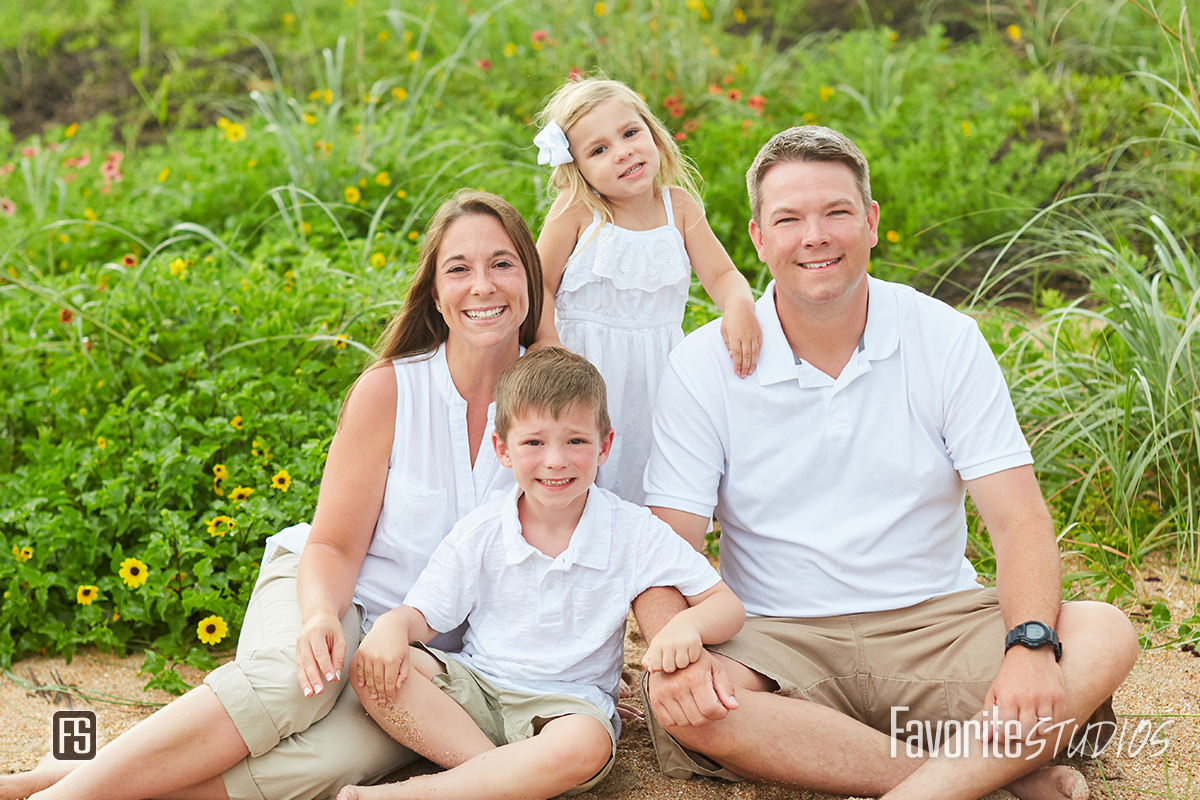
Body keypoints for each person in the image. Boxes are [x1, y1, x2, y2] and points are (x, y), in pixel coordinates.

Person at [632, 126, 1139, 800]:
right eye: (789, 219)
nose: (815, 235)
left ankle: (921, 786)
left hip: (938, 627)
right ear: (758, 237)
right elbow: (668, 551)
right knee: (686, 695)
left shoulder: (945, 338)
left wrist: (1029, 644)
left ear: (870, 223)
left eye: (836, 212)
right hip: (777, 638)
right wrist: (679, 652)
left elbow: (1019, 521)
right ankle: (986, 779)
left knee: (1103, 631)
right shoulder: (704, 363)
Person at [2, 190, 545, 800]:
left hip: (417, 656)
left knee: (325, 762)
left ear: (530, 276)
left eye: (502, 264)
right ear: (435, 295)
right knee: (295, 681)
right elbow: (334, 544)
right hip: (330, 587)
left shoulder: (553, 408)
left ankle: (58, 779)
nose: (483, 286)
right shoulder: (390, 390)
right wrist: (319, 619)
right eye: (459, 268)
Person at [335, 347, 745, 800]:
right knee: (377, 668)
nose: (555, 460)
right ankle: (500, 782)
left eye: (576, 441)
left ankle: (418, 795)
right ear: (502, 449)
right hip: (478, 692)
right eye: (533, 442)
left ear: (604, 445)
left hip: (567, 708)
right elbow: (422, 617)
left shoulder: (634, 531)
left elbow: (726, 605)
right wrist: (394, 625)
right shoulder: (483, 528)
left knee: (585, 745)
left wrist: (686, 624)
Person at [531, 76, 763, 505]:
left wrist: (738, 303)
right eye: (599, 150)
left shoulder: (679, 207)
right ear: (577, 166)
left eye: (630, 133)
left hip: (658, 377)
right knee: (583, 473)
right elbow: (539, 282)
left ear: (654, 133)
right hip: (585, 369)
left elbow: (722, 276)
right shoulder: (578, 209)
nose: (623, 152)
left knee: (653, 475)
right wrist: (547, 341)